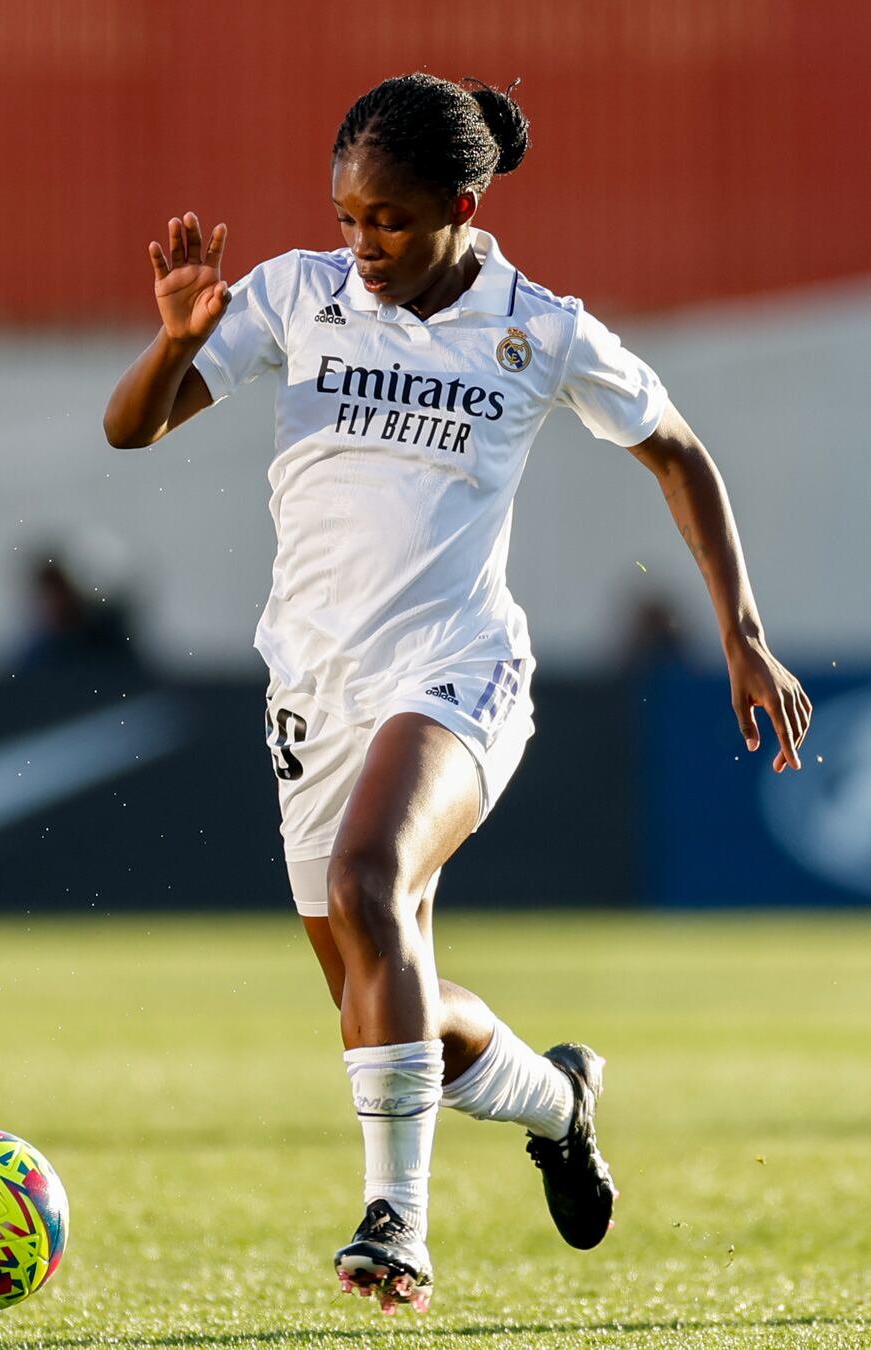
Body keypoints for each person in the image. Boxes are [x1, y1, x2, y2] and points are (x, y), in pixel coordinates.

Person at [104, 73, 811, 1315]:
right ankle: (559, 1097)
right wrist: (172, 341)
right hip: (312, 686)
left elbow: (678, 451)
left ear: (462, 205)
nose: (359, 243)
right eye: (344, 215)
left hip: (459, 671)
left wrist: (742, 634)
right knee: (391, 1010)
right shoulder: (293, 295)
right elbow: (131, 431)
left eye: (387, 218)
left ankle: (397, 1223)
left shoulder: (539, 330)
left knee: (369, 882)